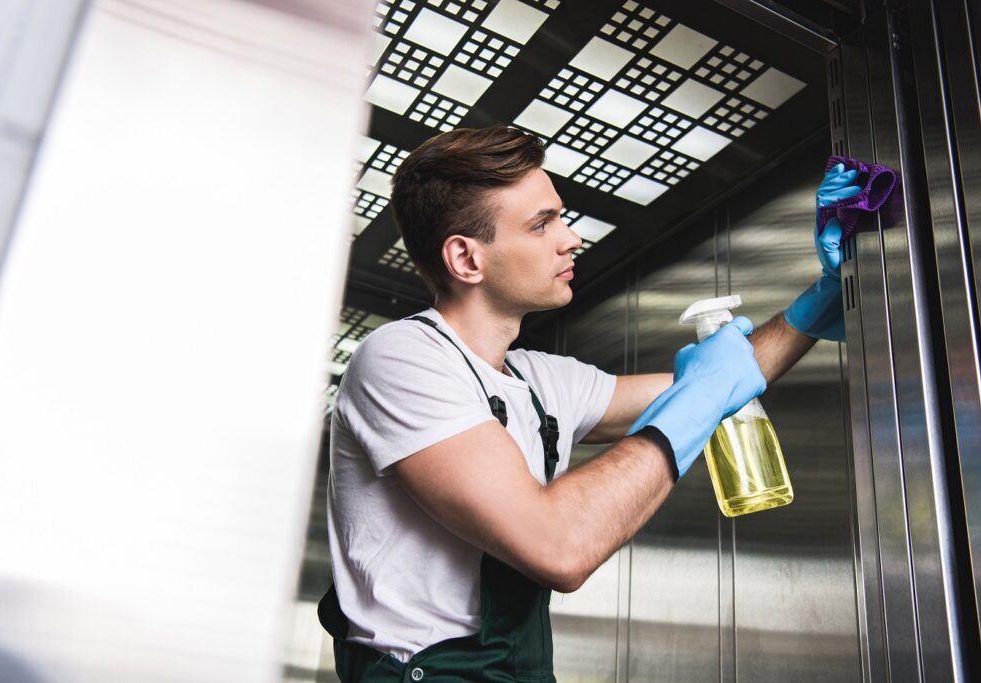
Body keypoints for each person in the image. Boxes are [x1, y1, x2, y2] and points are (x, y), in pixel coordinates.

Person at [320, 126, 860, 682]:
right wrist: (700, 395)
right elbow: (558, 546)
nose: (570, 238)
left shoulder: (540, 379)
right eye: (541, 224)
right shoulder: (402, 358)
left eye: (560, 216)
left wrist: (818, 300)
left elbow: (721, 383)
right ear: (466, 259)